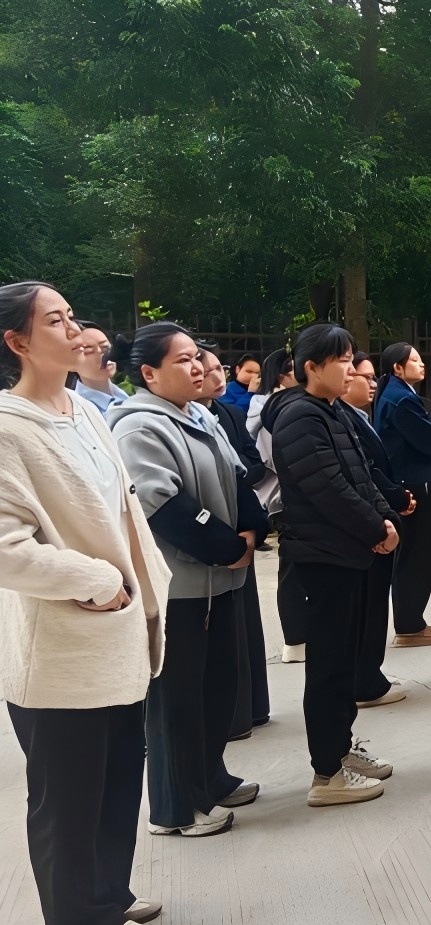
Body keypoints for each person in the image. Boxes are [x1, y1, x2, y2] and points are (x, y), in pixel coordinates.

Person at [0, 281, 171, 925]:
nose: (75, 331)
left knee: (117, 777)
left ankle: (108, 894)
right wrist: (97, 581)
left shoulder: (85, 412)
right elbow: (7, 548)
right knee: (69, 794)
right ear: (16, 342)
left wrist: (142, 590)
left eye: (72, 317)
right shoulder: (9, 428)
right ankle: (75, 923)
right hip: (63, 644)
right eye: (56, 321)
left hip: (119, 630)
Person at [107, 323, 265, 837]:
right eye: (182, 360)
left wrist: (252, 528)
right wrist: (228, 547)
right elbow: (165, 507)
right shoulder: (137, 427)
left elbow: (238, 477)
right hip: (179, 590)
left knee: (217, 688)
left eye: (196, 356)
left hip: (220, 581)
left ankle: (209, 777)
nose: (197, 367)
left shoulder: (199, 414)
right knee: (176, 700)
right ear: (149, 373)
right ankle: (175, 808)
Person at [267, 324, 401, 807]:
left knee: (344, 660)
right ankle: (327, 772)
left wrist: (383, 518)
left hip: (349, 553)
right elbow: (327, 487)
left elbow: (360, 475)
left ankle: (341, 750)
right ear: (311, 367)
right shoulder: (299, 417)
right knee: (328, 666)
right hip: (324, 556)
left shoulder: (332, 410)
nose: (351, 368)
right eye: (341, 360)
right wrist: (375, 528)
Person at [200, 349, 272, 734]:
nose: (215, 376)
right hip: (207, 537)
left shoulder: (226, 413)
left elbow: (249, 461)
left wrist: (250, 524)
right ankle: (228, 719)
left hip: (240, 525)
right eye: (205, 369)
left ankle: (253, 708)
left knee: (246, 625)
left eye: (219, 369)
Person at [342, 353, 412, 709]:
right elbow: (365, 472)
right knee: (367, 608)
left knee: (374, 604)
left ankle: (369, 674)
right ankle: (365, 681)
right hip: (367, 525)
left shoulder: (357, 415)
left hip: (378, 515)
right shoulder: (340, 418)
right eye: (364, 377)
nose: (373, 384)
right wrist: (395, 498)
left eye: (373, 377)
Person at [374, 342, 431, 648]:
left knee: (410, 554)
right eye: (414, 360)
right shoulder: (402, 399)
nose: (422, 364)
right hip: (414, 482)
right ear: (397, 368)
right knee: (417, 555)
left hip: (405, 480)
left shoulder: (393, 393)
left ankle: (409, 622)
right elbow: (428, 441)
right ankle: (410, 626)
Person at [252, 350, 308, 662]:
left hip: (287, 496)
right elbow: (279, 458)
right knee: (293, 568)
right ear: (281, 376)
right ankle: (295, 640)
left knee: (295, 567)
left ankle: (298, 638)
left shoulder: (273, 405)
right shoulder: (272, 408)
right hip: (285, 498)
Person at [72, 324, 129, 413]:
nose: (102, 355)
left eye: (105, 347)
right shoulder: (78, 410)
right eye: (88, 351)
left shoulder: (127, 393)